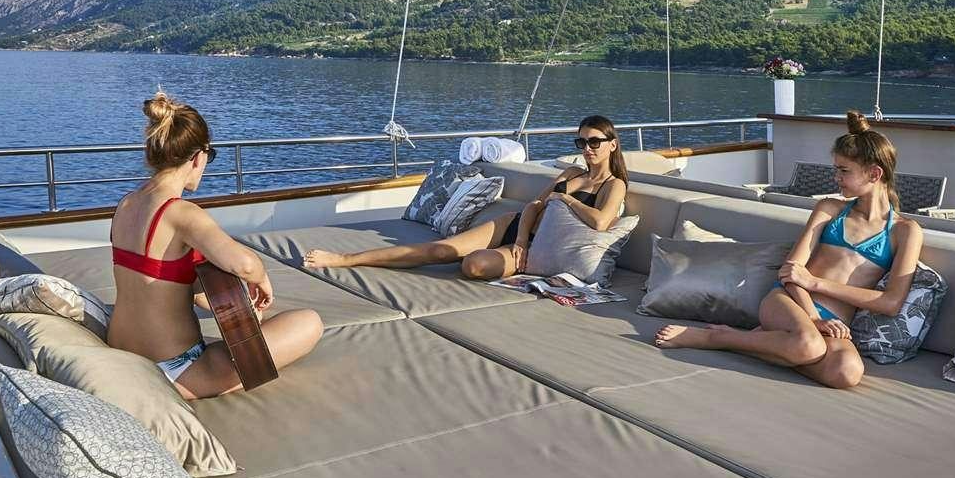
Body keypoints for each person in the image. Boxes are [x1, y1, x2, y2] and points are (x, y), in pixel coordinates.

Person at [654, 110, 924, 389]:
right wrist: (813, 316)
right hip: (790, 301)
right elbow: (790, 272)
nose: (836, 177)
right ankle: (718, 338)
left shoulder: (905, 231)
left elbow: (890, 303)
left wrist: (816, 283)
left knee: (847, 372)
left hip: (835, 323)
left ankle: (766, 344)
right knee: (809, 345)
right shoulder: (830, 209)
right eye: (836, 169)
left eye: (844, 171)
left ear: (875, 173)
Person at [108, 93, 322, 399]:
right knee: (308, 323)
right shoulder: (181, 213)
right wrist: (261, 278)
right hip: (173, 370)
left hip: (122, 355)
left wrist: (233, 306)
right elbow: (244, 264)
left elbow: (158, 282)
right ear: (198, 157)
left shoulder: (127, 204)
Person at [304, 115, 630, 280]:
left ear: (612, 144)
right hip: (517, 226)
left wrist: (566, 201)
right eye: (582, 143)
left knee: (473, 265)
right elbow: (535, 205)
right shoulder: (570, 174)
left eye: (594, 142)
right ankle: (346, 259)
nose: (587, 149)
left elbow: (601, 222)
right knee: (439, 251)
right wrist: (520, 239)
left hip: (543, 245)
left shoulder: (614, 185)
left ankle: (510, 262)